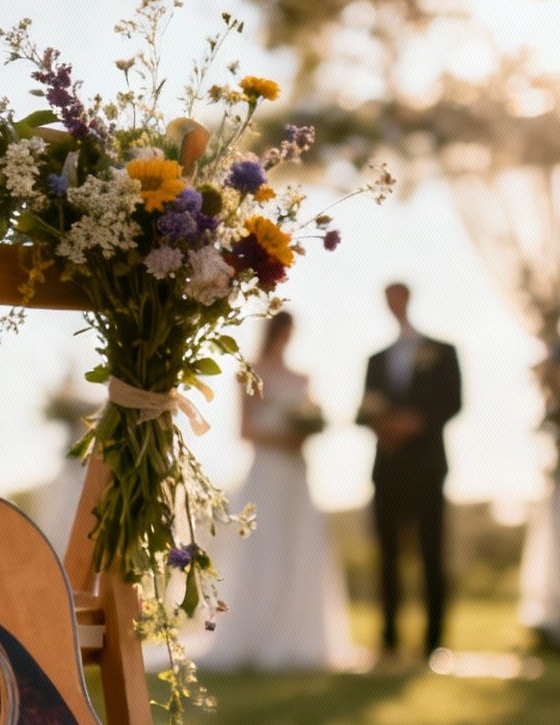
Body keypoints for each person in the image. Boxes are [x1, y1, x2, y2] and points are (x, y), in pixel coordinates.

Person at [195, 314, 360, 672]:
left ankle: (298, 636)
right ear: (272, 331)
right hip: (266, 471)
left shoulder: (302, 377)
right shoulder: (248, 373)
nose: (286, 337)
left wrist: (306, 429)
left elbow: (310, 416)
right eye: (282, 331)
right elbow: (244, 429)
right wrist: (282, 437)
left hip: (296, 474)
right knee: (262, 549)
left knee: (298, 547)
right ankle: (254, 635)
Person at [358, 281, 463, 662]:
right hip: (386, 469)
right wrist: (383, 427)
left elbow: (454, 402)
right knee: (386, 557)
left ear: (407, 298)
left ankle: (434, 641)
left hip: (428, 467)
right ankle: (388, 641)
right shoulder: (376, 359)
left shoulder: (442, 351)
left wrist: (414, 423)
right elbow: (362, 411)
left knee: (432, 554)